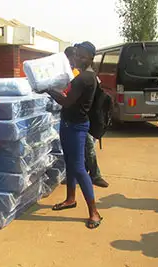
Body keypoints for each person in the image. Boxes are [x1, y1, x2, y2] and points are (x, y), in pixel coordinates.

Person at [48, 41, 102, 229]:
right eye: (77, 54)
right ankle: (70, 199)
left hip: (76, 126)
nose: (78, 58)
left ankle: (94, 212)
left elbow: (66, 101)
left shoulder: (85, 78)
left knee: (78, 167)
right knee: (70, 162)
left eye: (82, 56)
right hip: (67, 123)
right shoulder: (79, 75)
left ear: (90, 58)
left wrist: (47, 89)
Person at [64, 46, 109, 188]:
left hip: (85, 117)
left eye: (78, 56)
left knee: (88, 146)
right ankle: (82, 175)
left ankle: (95, 175)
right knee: (80, 149)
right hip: (79, 115)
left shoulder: (83, 74)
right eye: (74, 56)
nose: (75, 59)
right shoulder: (77, 72)